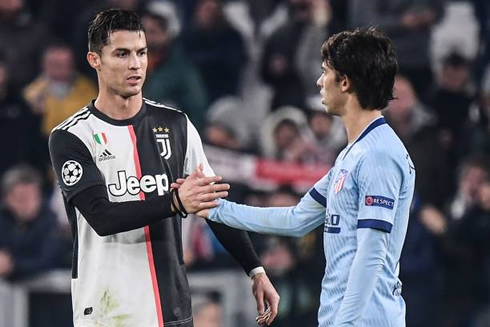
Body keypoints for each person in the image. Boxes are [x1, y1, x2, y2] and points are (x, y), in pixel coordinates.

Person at [48, 9, 279, 327]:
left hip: (170, 308)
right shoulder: (71, 136)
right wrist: (175, 202)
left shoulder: (177, 126)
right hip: (107, 311)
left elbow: (211, 206)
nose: (135, 64)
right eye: (121, 53)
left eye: (141, 53)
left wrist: (255, 269)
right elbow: (101, 217)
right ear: (94, 60)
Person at [177, 27, 416, 326]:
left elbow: (372, 252)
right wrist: (216, 209)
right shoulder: (351, 155)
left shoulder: (378, 155)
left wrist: (346, 323)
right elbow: (297, 219)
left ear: (345, 82)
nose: (318, 81)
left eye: (325, 72)